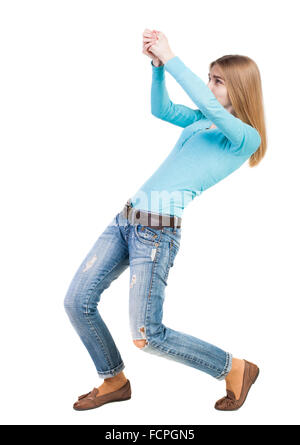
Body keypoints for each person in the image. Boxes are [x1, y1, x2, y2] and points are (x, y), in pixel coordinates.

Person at [64, 28, 267, 411]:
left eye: (218, 81)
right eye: (209, 78)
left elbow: (207, 104)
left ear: (240, 88)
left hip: (156, 233)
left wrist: (172, 57)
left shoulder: (244, 137)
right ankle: (114, 379)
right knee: (77, 301)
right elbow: (162, 110)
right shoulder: (201, 124)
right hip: (125, 219)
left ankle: (234, 367)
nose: (210, 86)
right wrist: (158, 69)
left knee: (147, 336)